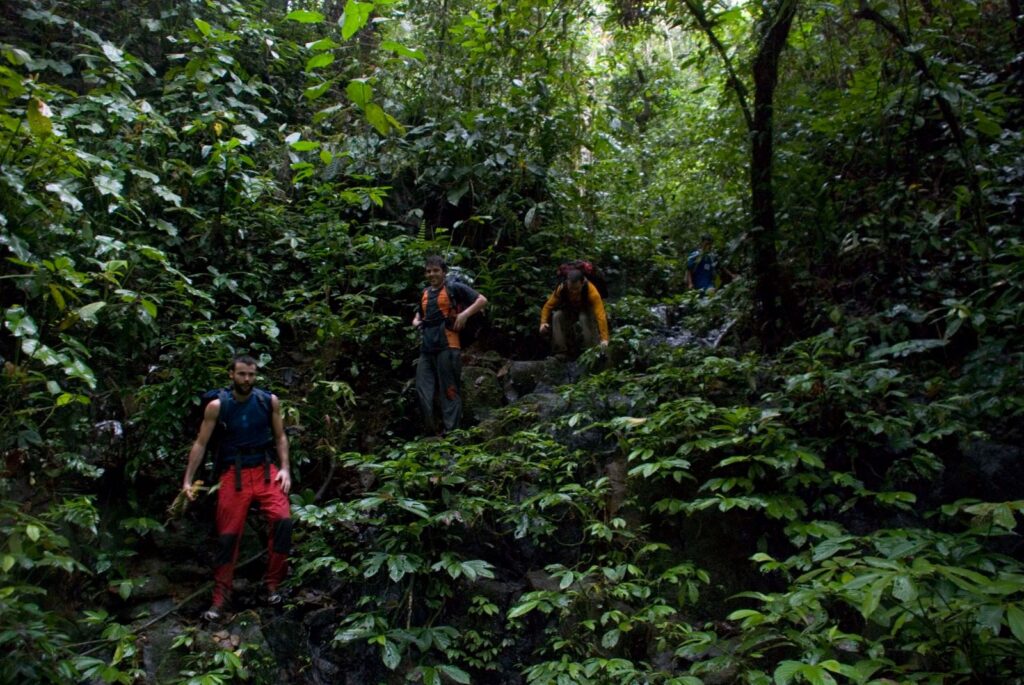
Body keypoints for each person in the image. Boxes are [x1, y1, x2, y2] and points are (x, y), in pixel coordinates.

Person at [181, 355, 292, 621]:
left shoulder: (268, 401)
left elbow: (280, 436)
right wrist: (187, 479)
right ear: (231, 374)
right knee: (228, 535)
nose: (247, 380)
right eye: (242, 374)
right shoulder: (218, 406)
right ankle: (221, 598)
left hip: (265, 469)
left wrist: (285, 468)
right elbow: (201, 443)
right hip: (234, 473)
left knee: (283, 521)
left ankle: (272, 586)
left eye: (251, 375)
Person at [412, 255, 487, 434]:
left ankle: (452, 432)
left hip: (449, 344)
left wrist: (464, 315)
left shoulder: (454, 287)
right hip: (427, 347)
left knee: (449, 389)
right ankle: (430, 430)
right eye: (428, 271)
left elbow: (482, 300)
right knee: (422, 388)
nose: (432, 274)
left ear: (444, 272)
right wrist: (416, 322)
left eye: (436, 270)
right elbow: (418, 315)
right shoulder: (425, 293)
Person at [539, 268, 610, 358]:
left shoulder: (592, 292)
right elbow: (548, 306)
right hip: (570, 309)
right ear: (567, 284)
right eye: (571, 289)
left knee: (583, 318)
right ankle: (561, 352)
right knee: (557, 316)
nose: (573, 292)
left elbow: (600, 315)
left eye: (576, 289)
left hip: (586, 310)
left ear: (582, 283)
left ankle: (590, 351)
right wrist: (543, 323)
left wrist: (604, 339)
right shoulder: (562, 288)